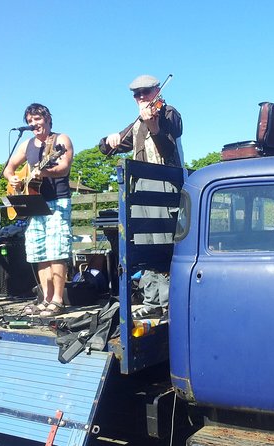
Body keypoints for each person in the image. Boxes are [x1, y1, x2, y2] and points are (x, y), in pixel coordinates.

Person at [98, 74, 184, 320]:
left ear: (157, 90)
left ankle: (170, 302)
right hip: (140, 186)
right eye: (137, 94)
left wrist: (154, 126)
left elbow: (168, 148)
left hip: (163, 183)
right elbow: (104, 149)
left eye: (146, 92)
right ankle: (152, 300)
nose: (141, 97)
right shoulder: (136, 123)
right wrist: (109, 139)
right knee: (144, 242)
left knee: (163, 240)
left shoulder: (169, 113)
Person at [3, 103, 74, 317]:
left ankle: (58, 300)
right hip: (34, 203)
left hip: (57, 202)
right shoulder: (27, 145)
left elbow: (64, 167)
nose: (34, 124)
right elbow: (8, 168)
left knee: (57, 252)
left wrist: (45, 174)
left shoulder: (61, 140)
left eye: (38, 119)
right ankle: (45, 298)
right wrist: (13, 179)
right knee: (40, 253)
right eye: (30, 121)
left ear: (48, 119)